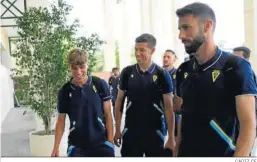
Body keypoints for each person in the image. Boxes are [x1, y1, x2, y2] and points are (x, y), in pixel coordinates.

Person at [174, 2, 257, 157]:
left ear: (207, 26)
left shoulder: (236, 66)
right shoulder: (183, 70)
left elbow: (249, 125)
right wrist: (177, 149)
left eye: (186, 28)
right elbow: (183, 116)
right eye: (179, 29)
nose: (181, 35)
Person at [113, 33, 176, 157]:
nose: (137, 53)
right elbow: (119, 101)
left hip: (155, 132)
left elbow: (169, 107)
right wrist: (118, 130)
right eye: (136, 49)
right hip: (131, 132)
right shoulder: (127, 72)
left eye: (142, 50)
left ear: (152, 50)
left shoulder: (162, 74)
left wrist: (171, 137)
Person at [51, 48, 114, 157]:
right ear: (69, 67)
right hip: (77, 147)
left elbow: (108, 115)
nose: (78, 72)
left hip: (102, 144)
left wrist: (110, 143)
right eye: (74, 68)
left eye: (82, 67)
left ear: (87, 65)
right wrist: (56, 148)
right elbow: (61, 121)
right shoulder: (65, 91)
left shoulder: (99, 84)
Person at [163, 49, 181, 145]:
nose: (165, 59)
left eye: (168, 57)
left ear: (174, 59)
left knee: (175, 140)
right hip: (160, 112)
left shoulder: (179, 74)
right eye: (164, 57)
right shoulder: (158, 73)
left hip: (174, 113)